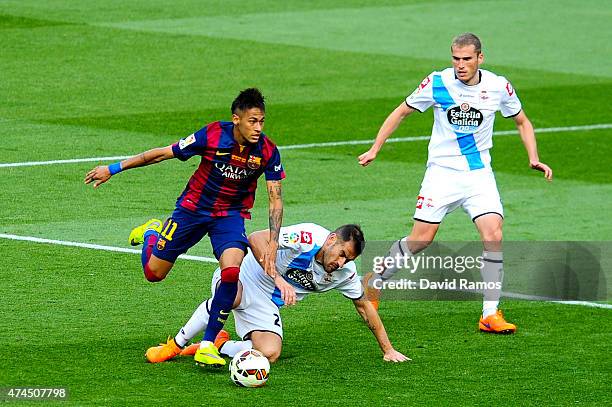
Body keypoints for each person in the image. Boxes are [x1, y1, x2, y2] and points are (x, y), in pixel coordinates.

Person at [358, 33, 552, 334]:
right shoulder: (438, 82)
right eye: (455, 59)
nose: (460, 65)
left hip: (478, 175)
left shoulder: (498, 86)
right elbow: (401, 111)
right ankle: (375, 281)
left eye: (466, 59)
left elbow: (522, 121)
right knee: (421, 240)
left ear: (480, 58)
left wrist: (534, 157)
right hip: (442, 173)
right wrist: (375, 148)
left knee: (493, 234)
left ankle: (490, 314)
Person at [84, 88, 284, 365]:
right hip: (192, 210)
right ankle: (153, 231)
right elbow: (161, 154)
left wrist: (273, 244)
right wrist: (114, 168)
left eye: (262, 121)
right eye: (253, 121)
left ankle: (207, 344)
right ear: (236, 119)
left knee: (231, 272)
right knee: (154, 274)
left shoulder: (267, 151)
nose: (258, 128)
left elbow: (276, 200)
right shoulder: (212, 135)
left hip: (230, 216)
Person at [145, 223, 409, 364]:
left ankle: (221, 344)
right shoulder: (307, 237)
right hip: (246, 274)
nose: (340, 262)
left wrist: (388, 349)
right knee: (231, 295)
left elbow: (364, 307)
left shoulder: (344, 274)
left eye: (347, 259)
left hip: (265, 301)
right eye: (341, 253)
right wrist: (277, 277)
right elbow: (257, 238)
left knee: (270, 353)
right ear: (330, 240)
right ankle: (175, 345)